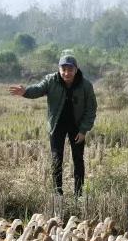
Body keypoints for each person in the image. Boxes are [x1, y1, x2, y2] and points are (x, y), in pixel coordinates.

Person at [9, 55, 97, 197]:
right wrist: (25, 92)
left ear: (76, 70)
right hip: (57, 125)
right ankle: (57, 194)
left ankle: (78, 195)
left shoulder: (85, 85)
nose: (66, 73)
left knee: (78, 159)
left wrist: (83, 130)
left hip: (77, 126)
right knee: (56, 159)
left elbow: (91, 108)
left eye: (70, 69)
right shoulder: (51, 80)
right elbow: (38, 89)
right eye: (64, 69)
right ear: (59, 69)